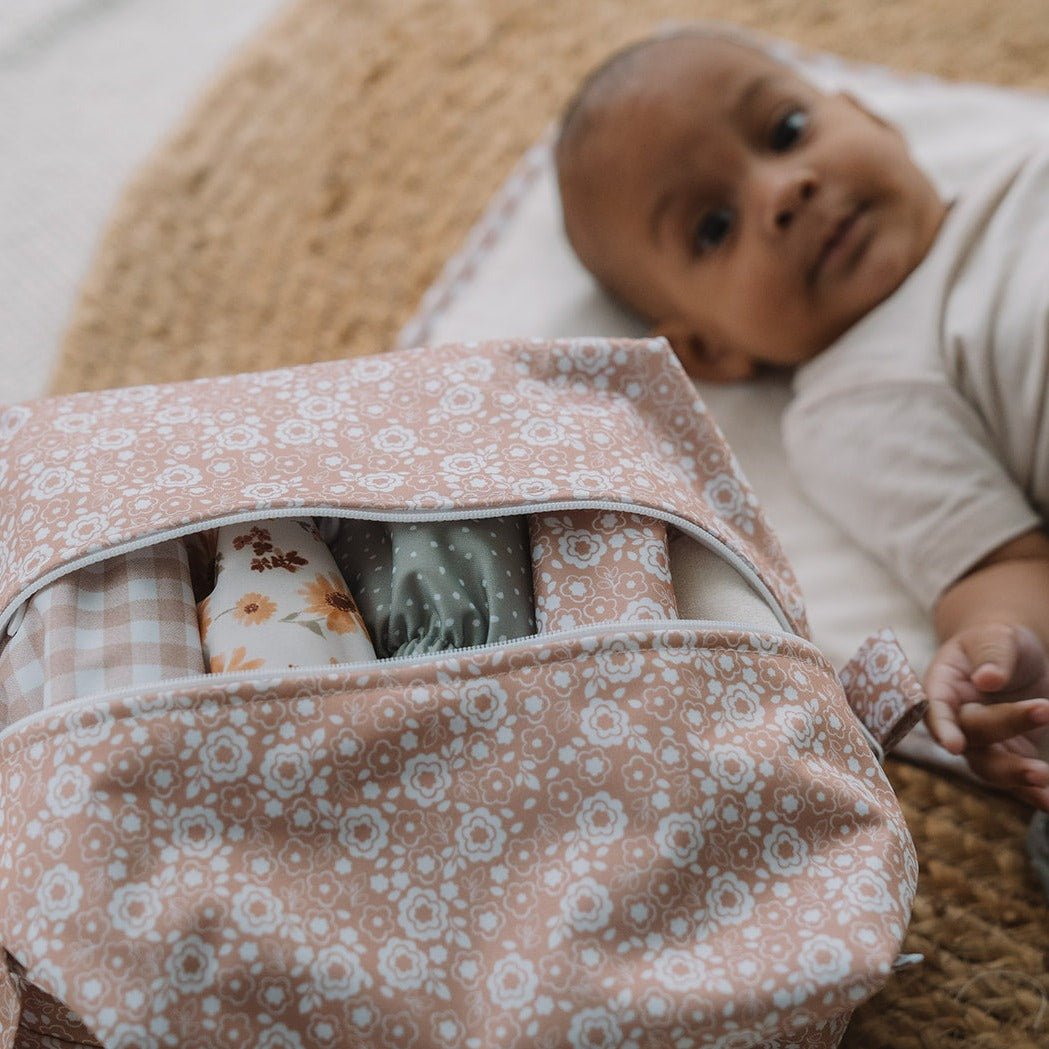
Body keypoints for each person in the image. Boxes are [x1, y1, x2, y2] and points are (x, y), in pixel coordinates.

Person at [554, 26, 1049, 817]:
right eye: (713, 227)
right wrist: (996, 650)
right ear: (709, 349)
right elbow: (996, 567)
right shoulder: (861, 395)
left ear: (869, 117)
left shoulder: (1019, 172)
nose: (781, 191)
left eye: (786, 132)